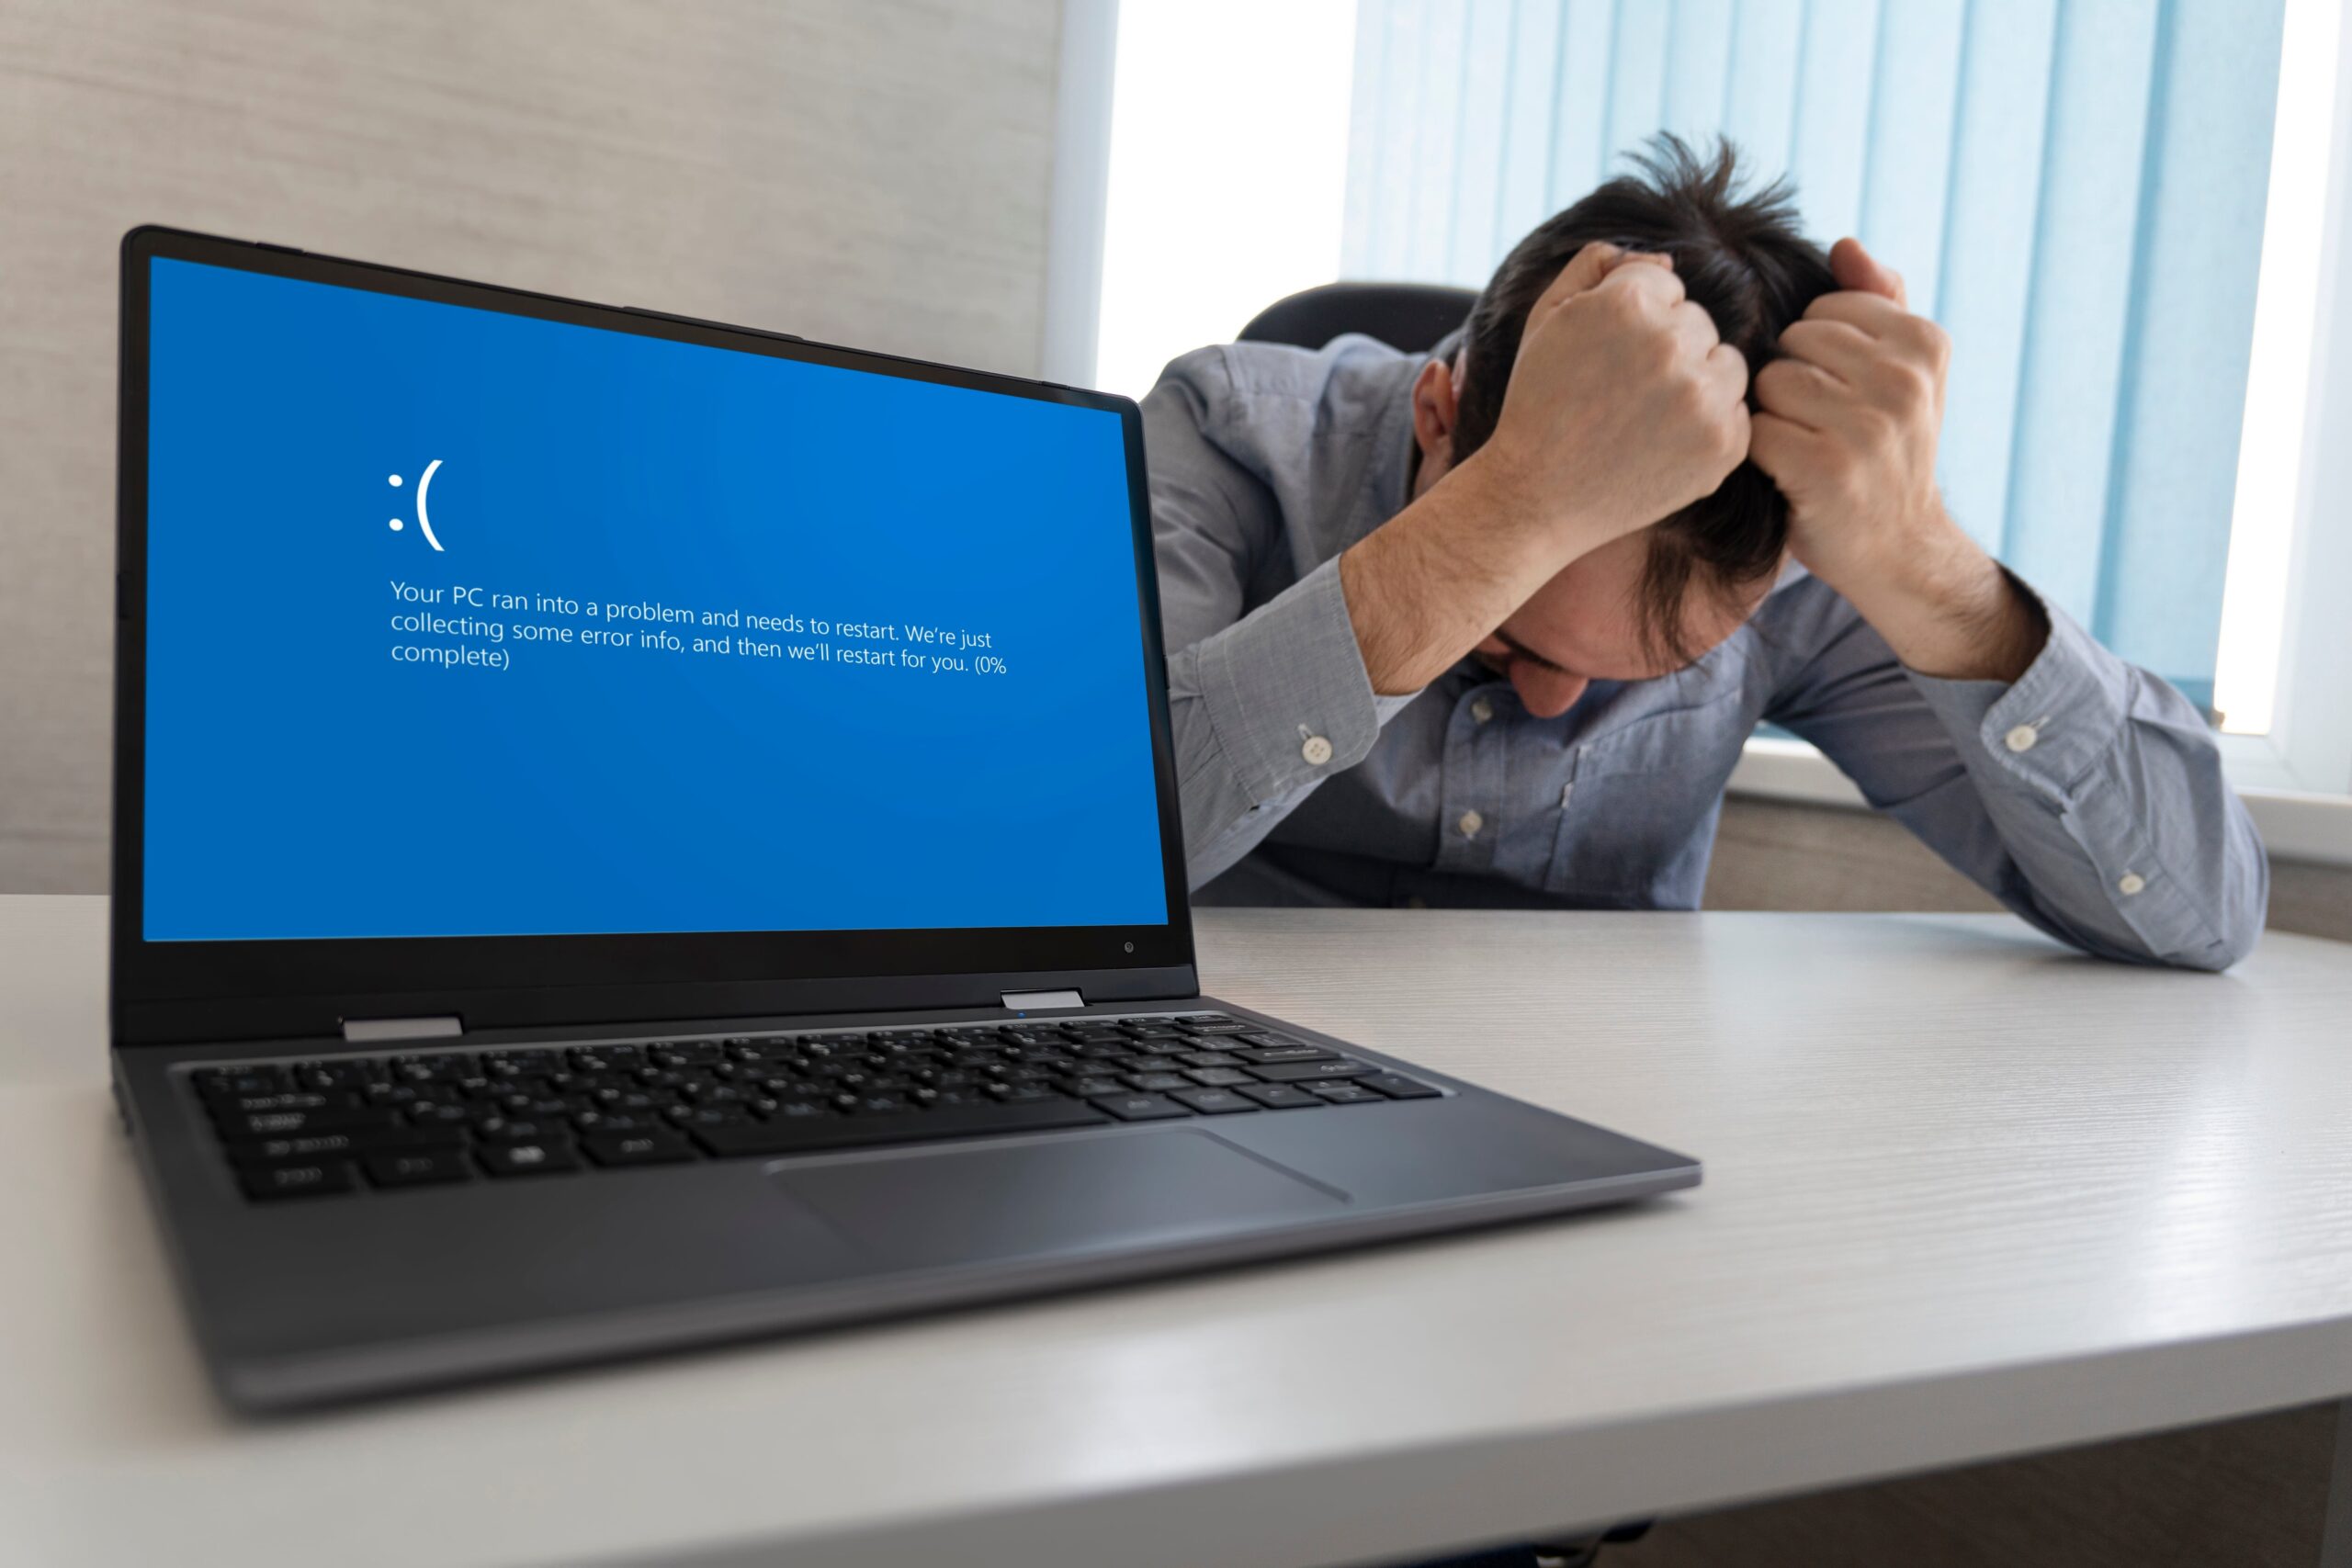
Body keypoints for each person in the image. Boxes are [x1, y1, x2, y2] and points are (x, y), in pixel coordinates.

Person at [1140, 135, 2266, 969]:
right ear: (1439, 414)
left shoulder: (1798, 552)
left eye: (1647, 669)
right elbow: (1066, 864)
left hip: (1609, 1114)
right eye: (1506, 630)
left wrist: (1923, 561)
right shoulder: (1225, 430)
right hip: (1226, 1057)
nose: (1550, 701)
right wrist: (1508, 513)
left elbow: (2202, 912)